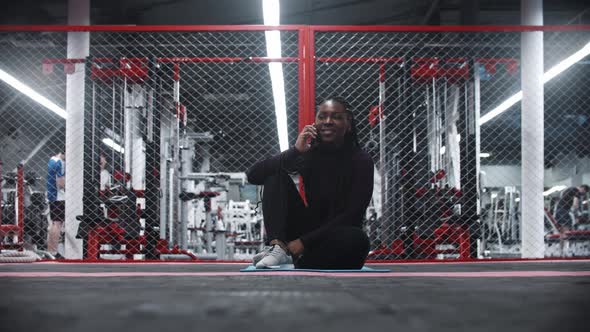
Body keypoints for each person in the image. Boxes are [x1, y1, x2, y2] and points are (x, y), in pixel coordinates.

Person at [246, 96, 373, 269]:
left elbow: (353, 213)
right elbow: (253, 175)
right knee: (274, 174)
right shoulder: (309, 155)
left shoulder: (361, 160)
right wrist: (295, 150)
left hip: (337, 234)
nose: (327, 121)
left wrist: (304, 242)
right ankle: (278, 247)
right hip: (306, 229)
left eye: (336, 117)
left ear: (348, 124)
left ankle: (297, 257)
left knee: (358, 240)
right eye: (322, 116)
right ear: (315, 123)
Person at [46, 151, 65, 259]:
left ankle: (51, 251)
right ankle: (53, 251)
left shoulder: (52, 160)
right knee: (57, 224)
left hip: (53, 195)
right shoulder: (60, 162)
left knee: (54, 223)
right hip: (59, 196)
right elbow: (61, 182)